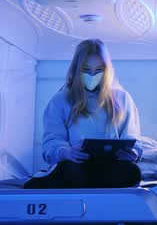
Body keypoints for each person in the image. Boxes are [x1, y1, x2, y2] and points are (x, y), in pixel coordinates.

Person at [24, 39, 142, 189]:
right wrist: (66, 152)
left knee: (132, 173)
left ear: (107, 71)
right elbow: (51, 144)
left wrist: (132, 153)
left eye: (99, 70)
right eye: (86, 70)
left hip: (110, 167)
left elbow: (133, 140)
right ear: (76, 69)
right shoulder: (60, 100)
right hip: (75, 166)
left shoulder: (122, 99)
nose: (92, 75)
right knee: (69, 172)